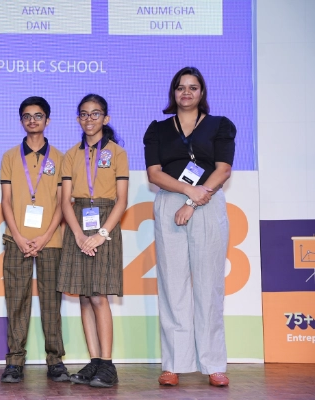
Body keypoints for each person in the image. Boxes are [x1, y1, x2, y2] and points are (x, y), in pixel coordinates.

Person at [143, 66, 236, 387]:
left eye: (193, 87)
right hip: (171, 201)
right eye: (181, 87)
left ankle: (213, 364)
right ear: (173, 92)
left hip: (208, 201)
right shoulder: (158, 129)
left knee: (209, 285)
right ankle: (174, 364)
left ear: (201, 92)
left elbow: (223, 169)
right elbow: (154, 173)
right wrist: (187, 192)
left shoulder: (220, 125)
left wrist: (196, 199)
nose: (186, 92)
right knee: (173, 285)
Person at [57, 94, 129, 388]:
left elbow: (122, 200)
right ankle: (95, 360)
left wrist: (101, 235)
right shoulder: (70, 155)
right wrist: (78, 235)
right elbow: (65, 201)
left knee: (99, 295)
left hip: (106, 223)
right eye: (84, 114)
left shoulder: (117, 153)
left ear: (105, 118)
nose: (89, 119)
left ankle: (108, 364)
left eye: (95, 114)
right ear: (78, 119)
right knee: (84, 296)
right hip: (78, 224)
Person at [0, 96, 68, 383]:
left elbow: (64, 203)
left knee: (51, 302)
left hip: (50, 241)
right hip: (16, 240)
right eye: (27, 116)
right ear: (21, 121)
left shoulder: (61, 158)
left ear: (47, 120)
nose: (32, 120)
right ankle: (14, 361)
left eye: (38, 116)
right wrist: (17, 236)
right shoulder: (10, 157)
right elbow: (5, 201)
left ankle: (56, 361)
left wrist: (45, 236)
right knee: (16, 301)